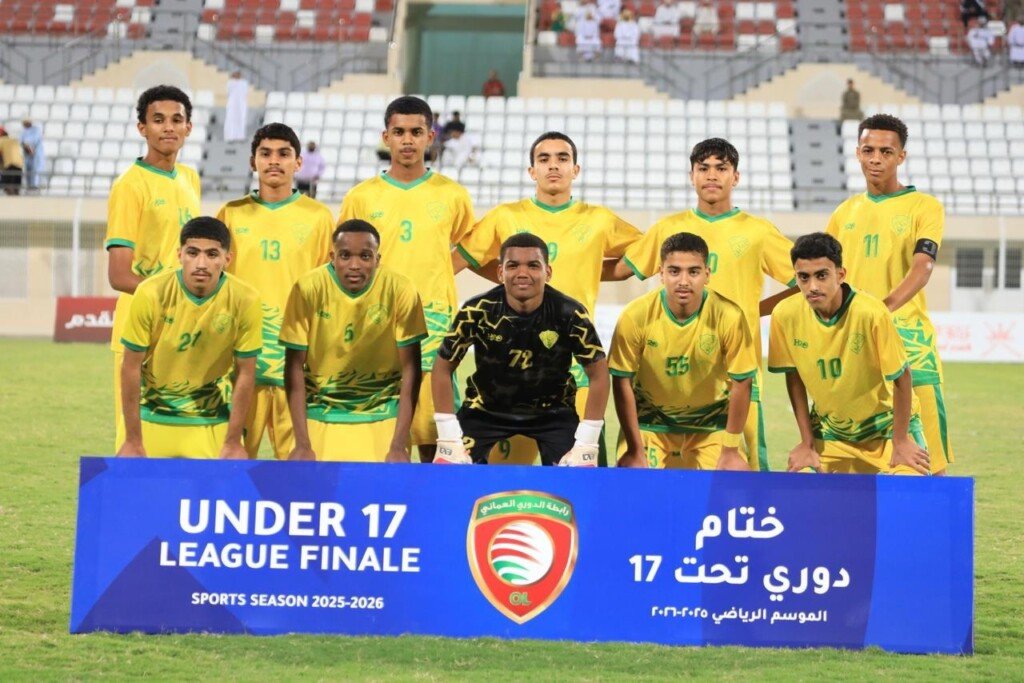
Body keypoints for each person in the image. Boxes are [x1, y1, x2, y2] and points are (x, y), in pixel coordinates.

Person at [607, 138, 798, 471]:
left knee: (749, 476)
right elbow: (623, 269)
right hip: (670, 380)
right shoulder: (667, 228)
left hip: (736, 377)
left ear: (735, 177)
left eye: (721, 168)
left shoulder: (758, 232)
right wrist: (556, 272)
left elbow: (805, 282)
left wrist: (755, 311)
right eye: (703, 168)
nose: (712, 175)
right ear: (691, 176)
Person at [454, 131, 640, 465]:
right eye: (544, 159)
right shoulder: (505, 216)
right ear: (532, 171)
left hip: (577, 359)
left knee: (582, 468)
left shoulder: (599, 219)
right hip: (513, 366)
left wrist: (589, 268)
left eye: (562, 158)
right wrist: (509, 278)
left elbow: (638, 256)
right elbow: (465, 258)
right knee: (502, 477)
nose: (553, 166)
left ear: (575, 169)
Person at [338, 95, 475, 462]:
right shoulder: (361, 197)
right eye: (399, 132)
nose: (408, 140)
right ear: (387, 138)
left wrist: (439, 270)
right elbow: (341, 261)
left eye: (416, 132)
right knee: (381, 434)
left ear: (430, 136)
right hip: (375, 325)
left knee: (433, 434)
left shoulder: (453, 195)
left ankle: (432, 497)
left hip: (433, 323)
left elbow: (470, 248)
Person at [826, 113, 954, 475]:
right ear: (857, 153)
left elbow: (922, 267)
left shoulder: (924, 207)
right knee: (856, 456)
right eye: (868, 150)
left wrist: (881, 310)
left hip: (909, 339)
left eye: (886, 151)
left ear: (901, 156)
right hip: (854, 342)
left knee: (929, 460)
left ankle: (937, 513)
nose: (876, 159)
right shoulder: (844, 213)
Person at [432, 233, 610, 467]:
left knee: (576, 476)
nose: (522, 273)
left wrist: (587, 441)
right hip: (484, 411)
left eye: (533, 265)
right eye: (513, 265)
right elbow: (442, 368)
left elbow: (599, 374)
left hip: (553, 413)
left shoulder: (570, 313)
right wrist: (448, 435)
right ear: (500, 272)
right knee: (451, 471)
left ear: (548, 272)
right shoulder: (476, 311)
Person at [216, 123, 334, 459]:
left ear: (298, 163)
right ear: (252, 161)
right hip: (241, 363)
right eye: (265, 153)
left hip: (297, 364)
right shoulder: (231, 214)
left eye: (283, 154)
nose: (274, 161)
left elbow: (328, 290)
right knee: (231, 465)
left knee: (300, 468)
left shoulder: (319, 217)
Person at [768, 233, 931, 475]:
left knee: (906, 492)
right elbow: (793, 378)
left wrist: (901, 441)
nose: (813, 286)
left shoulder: (872, 313)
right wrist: (806, 442)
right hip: (832, 433)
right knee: (802, 486)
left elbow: (902, 376)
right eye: (804, 277)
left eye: (822, 275)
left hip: (888, 430)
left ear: (840, 274)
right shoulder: (784, 315)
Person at [280, 220, 426, 462]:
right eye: (345, 256)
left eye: (365, 256)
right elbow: (293, 366)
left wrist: (399, 445)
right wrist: (303, 443)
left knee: (384, 485)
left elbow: (412, 368)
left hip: (383, 412)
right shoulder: (307, 288)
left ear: (377, 259)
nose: (355, 265)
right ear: (332, 257)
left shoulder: (401, 289)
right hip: (320, 411)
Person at [116, 217, 262, 459]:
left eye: (212, 254)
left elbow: (246, 372)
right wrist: (132, 439)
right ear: (179, 255)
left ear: (227, 259)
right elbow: (130, 366)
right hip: (150, 417)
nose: (201, 263)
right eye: (193, 253)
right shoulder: (150, 293)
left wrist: (233, 440)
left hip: (212, 421)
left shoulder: (246, 299)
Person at [106, 85, 200, 451]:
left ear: (188, 127)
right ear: (142, 128)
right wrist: (172, 298)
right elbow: (119, 275)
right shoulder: (130, 185)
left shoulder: (190, 178)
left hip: (185, 328)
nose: (168, 127)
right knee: (135, 439)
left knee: (179, 436)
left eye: (177, 120)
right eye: (158, 120)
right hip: (141, 328)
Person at [612, 233, 757, 471]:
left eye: (693, 272)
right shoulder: (635, 315)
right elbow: (621, 381)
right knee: (634, 479)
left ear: (707, 274)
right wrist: (635, 449)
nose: (683, 281)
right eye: (674, 271)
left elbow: (743, 383)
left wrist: (730, 449)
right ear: (661, 274)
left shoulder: (729, 316)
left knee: (734, 477)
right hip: (650, 424)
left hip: (712, 425)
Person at [224, 70, 249, 142]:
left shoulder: (244, 83)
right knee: (231, 120)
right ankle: (230, 136)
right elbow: (228, 92)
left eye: (238, 74)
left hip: (241, 104)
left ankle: (240, 136)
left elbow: (245, 93)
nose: (236, 75)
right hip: (232, 104)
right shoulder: (230, 83)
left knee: (241, 120)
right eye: (235, 74)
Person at [20, 119, 44, 191]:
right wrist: (27, 148)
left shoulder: (35, 131)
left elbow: (31, 141)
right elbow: (22, 142)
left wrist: (30, 149)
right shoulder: (24, 132)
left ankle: (34, 186)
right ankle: (30, 186)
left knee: (36, 170)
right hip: (28, 155)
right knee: (28, 170)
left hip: (36, 154)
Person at [0, 126, 24, 195]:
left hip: (10, 164)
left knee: (8, 186)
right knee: (16, 186)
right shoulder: (14, 139)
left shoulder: (1, 140)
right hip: (19, 164)